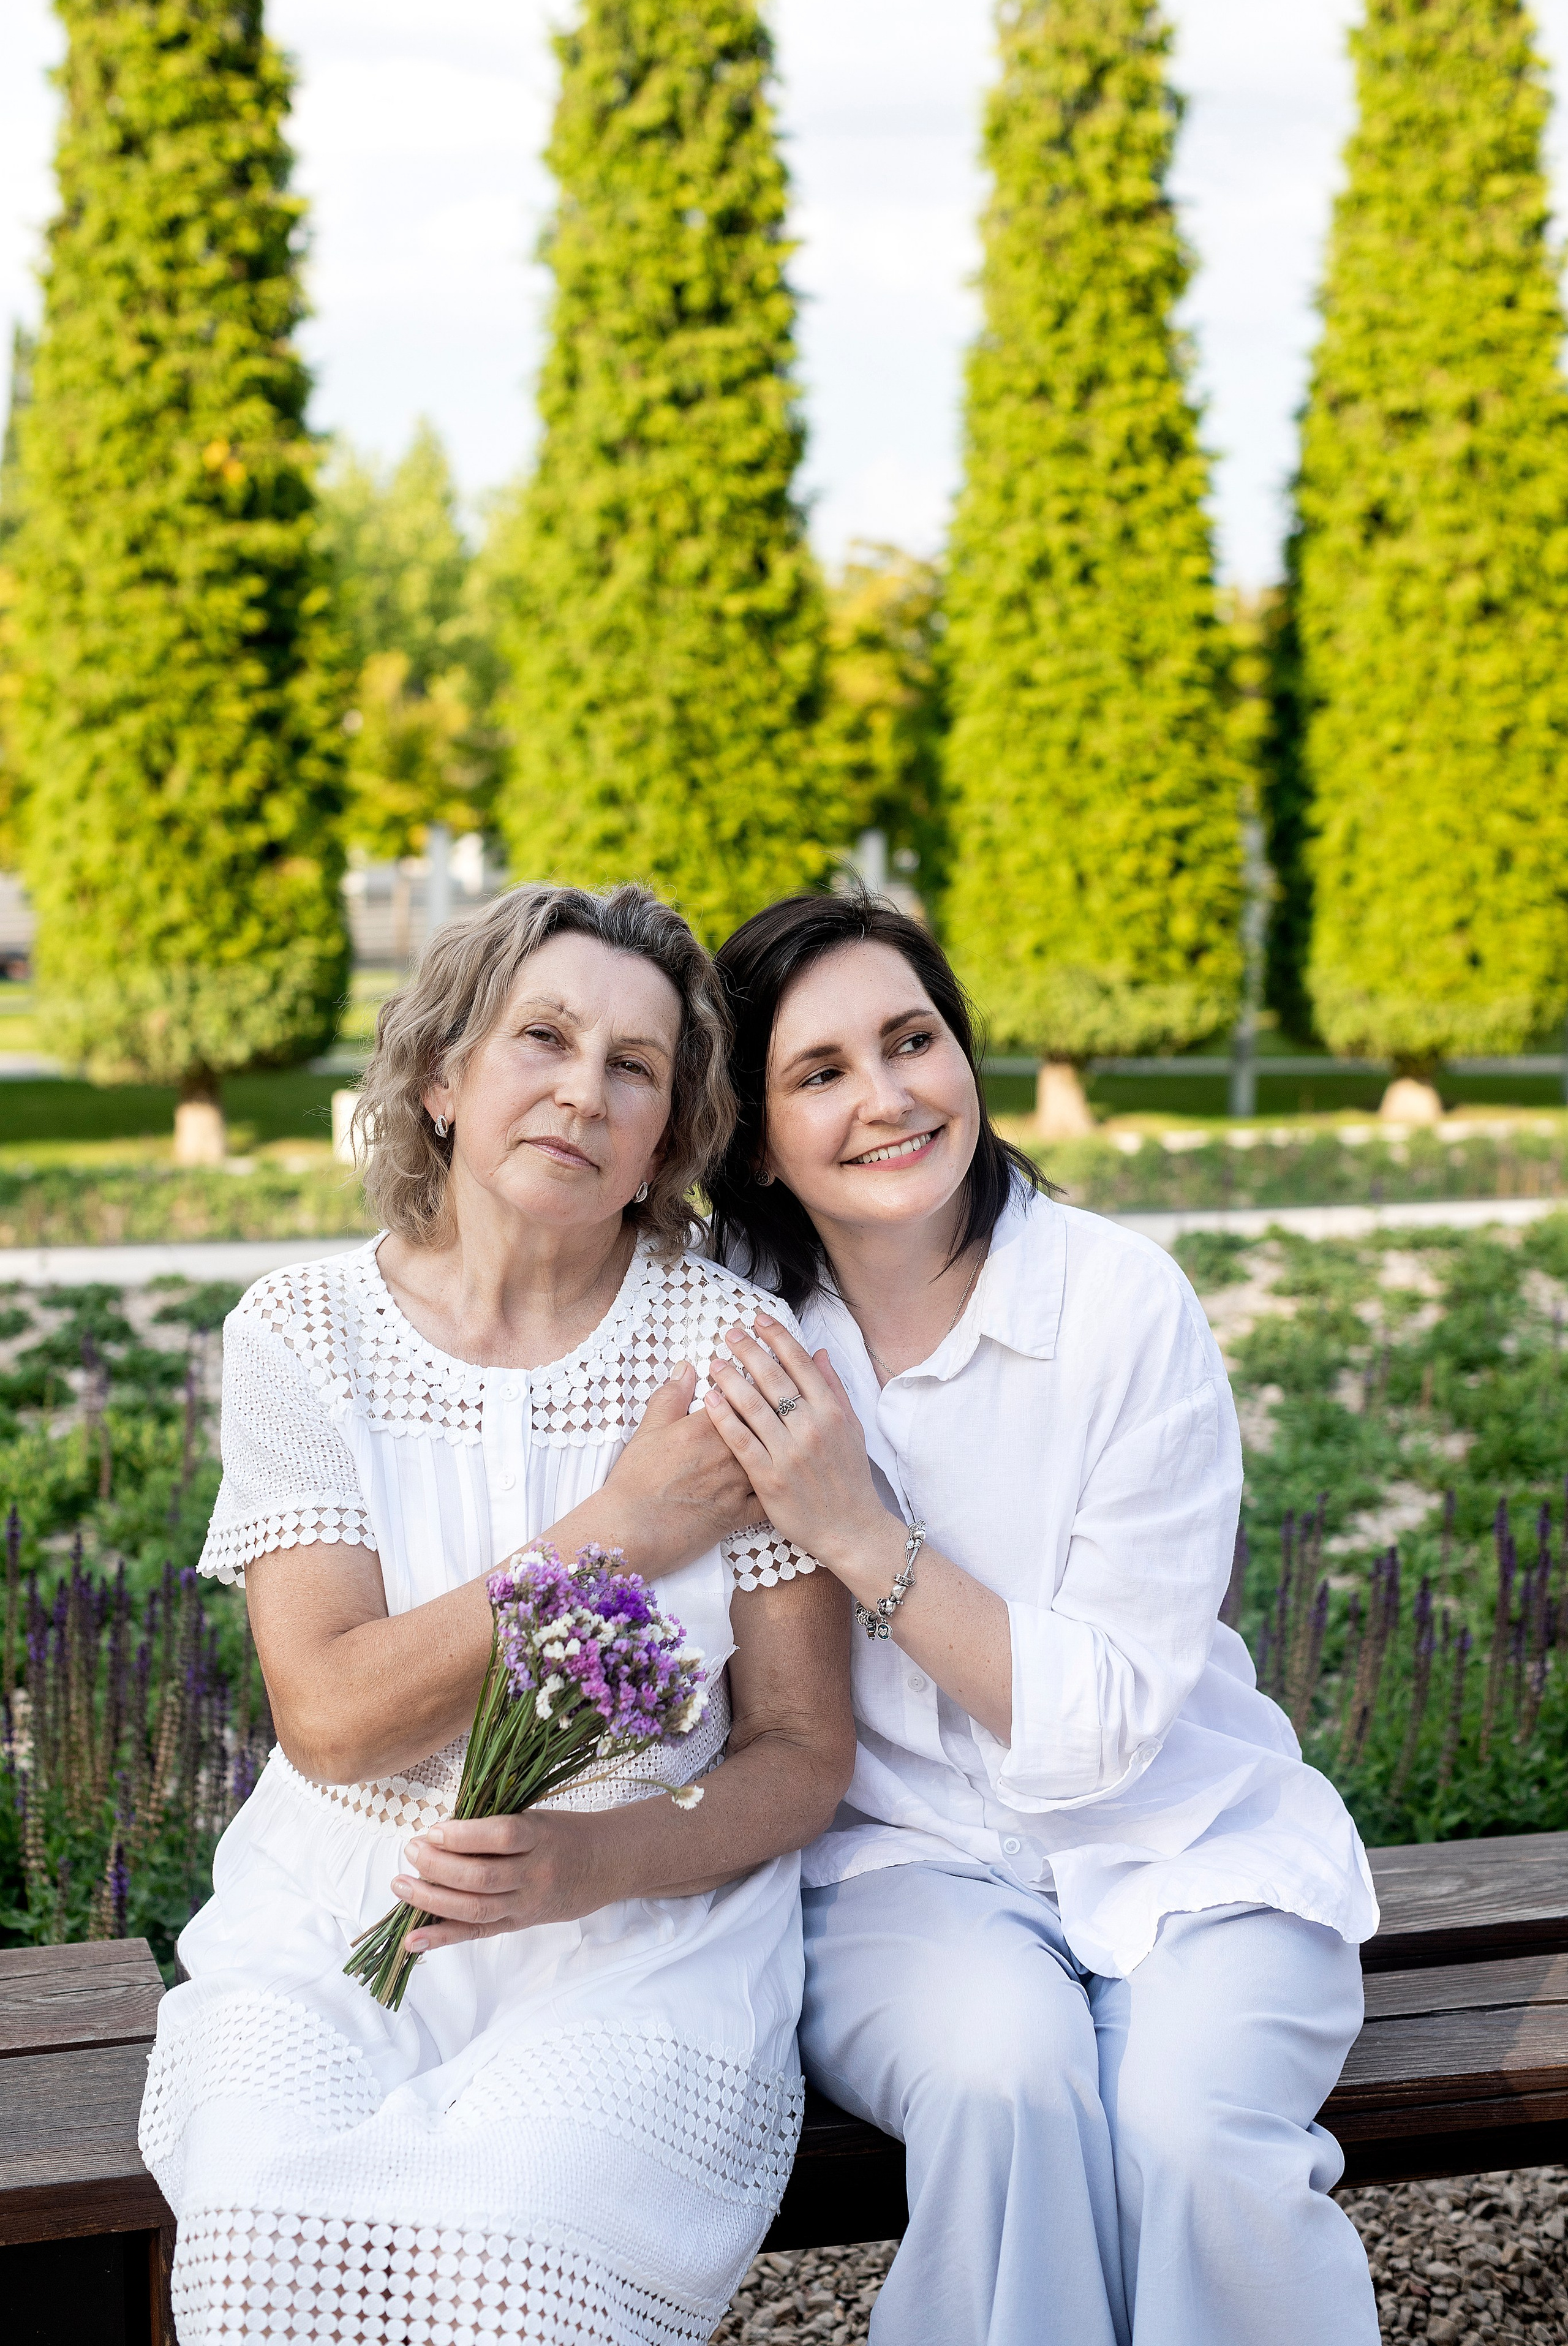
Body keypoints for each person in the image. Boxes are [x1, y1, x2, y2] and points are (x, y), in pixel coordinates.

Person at [139, 883, 854, 2346]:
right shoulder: (301, 1334)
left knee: (510, 2266)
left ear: (669, 1133)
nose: (582, 1092)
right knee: (264, 2251)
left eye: (634, 1067)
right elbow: (331, 1724)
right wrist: (616, 1534)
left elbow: (800, 1748)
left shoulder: (731, 1349)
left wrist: (589, 1860)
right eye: (543, 1037)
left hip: (641, 1928)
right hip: (342, 1907)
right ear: (442, 1076)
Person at [699, 890, 1381, 2346]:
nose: (887, 1098)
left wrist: (858, 1534)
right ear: (755, 1135)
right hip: (896, 1876)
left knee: (1194, 2138)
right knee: (1007, 2085)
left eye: (912, 1040)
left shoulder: (1124, 1304)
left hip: (1190, 1850)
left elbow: (1110, 1724)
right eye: (819, 1073)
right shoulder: (731, 1334)